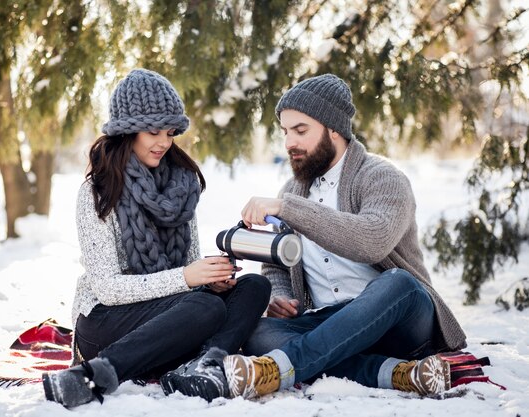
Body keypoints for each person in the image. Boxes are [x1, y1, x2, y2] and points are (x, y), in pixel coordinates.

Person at [161, 73, 469, 400]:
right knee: (258, 334)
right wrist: (280, 298)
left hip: (399, 320)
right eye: (285, 132)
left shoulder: (383, 177)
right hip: (327, 325)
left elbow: (372, 241)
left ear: (333, 129)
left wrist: (288, 207)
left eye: (301, 130)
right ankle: (395, 374)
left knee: (399, 283)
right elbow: (277, 265)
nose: (289, 142)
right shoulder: (292, 191)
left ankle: (276, 371)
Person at [41, 69, 271, 408]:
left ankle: (202, 366)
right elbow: (106, 287)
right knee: (203, 306)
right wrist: (187, 278)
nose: (164, 142)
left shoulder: (183, 186)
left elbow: (187, 271)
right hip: (105, 321)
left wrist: (210, 279)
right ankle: (98, 374)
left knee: (254, 287)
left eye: (170, 132)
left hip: (172, 319)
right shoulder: (97, 192)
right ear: (127, 131)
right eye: (153, 131)